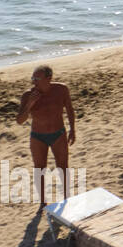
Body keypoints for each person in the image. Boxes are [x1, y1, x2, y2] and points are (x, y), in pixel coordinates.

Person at [17, 65, 76, 202]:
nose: (33, 81)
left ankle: (67, 198)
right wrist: (30, 104)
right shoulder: (28, 95)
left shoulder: (61, 89)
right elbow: (20, 120)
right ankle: (43, 202)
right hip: (38, 137)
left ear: (49, 78)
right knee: (39, 169)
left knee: (63, 166)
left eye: (37, 78)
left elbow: (69, 109)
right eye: (32, 78)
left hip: (58, 134)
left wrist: (73, 129)